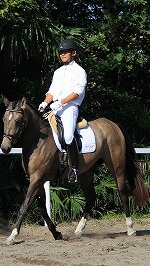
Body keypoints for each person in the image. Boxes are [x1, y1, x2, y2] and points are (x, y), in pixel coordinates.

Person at [38, 39, 87, 183]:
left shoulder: (80, 71)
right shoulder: (58, 72)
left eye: (65, 52)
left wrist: (60, 102)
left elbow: (77, 92)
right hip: (55, 107)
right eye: (61, 52)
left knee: (68, 137)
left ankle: (75, 169)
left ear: (73, 53)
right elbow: (52, 91)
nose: (62, 54)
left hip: (69, 108)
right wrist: (44, 103)